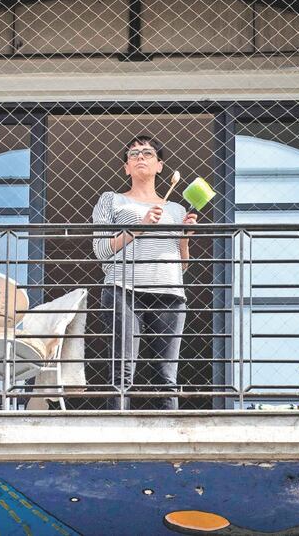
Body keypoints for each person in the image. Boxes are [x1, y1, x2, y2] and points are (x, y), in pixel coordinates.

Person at [92, 136, 197, 410]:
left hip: (169, 292)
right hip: (123, 290)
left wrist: (184, 238)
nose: (140, 156)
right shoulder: (111, 200)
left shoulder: (176, 208)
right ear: (126, 167)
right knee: (123, 371)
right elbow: (101, 250)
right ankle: (118, 439)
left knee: (166, 376)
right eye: (133, 154)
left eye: (147, 153)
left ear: (160, 166)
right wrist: (137, 227)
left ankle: (170, 443)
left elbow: (182, 265)